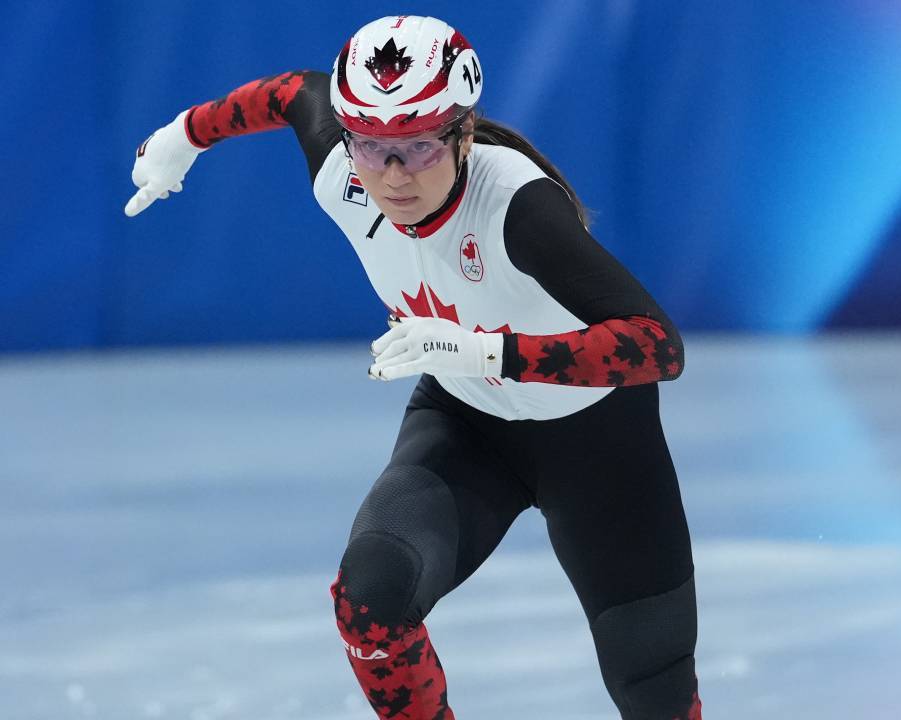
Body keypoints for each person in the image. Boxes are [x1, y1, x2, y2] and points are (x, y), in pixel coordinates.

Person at [124, 15, 702, 720]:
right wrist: (186, 135)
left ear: (463, 134)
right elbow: (294, 92)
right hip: (470, 427)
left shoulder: (516, 207)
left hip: (598, 441)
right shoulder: (343, 172)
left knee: (654, 688)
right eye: (371, 146)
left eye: (419, 147)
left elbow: (656, 346)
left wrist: (488, 352)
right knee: (370, 603)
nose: (393, 175)